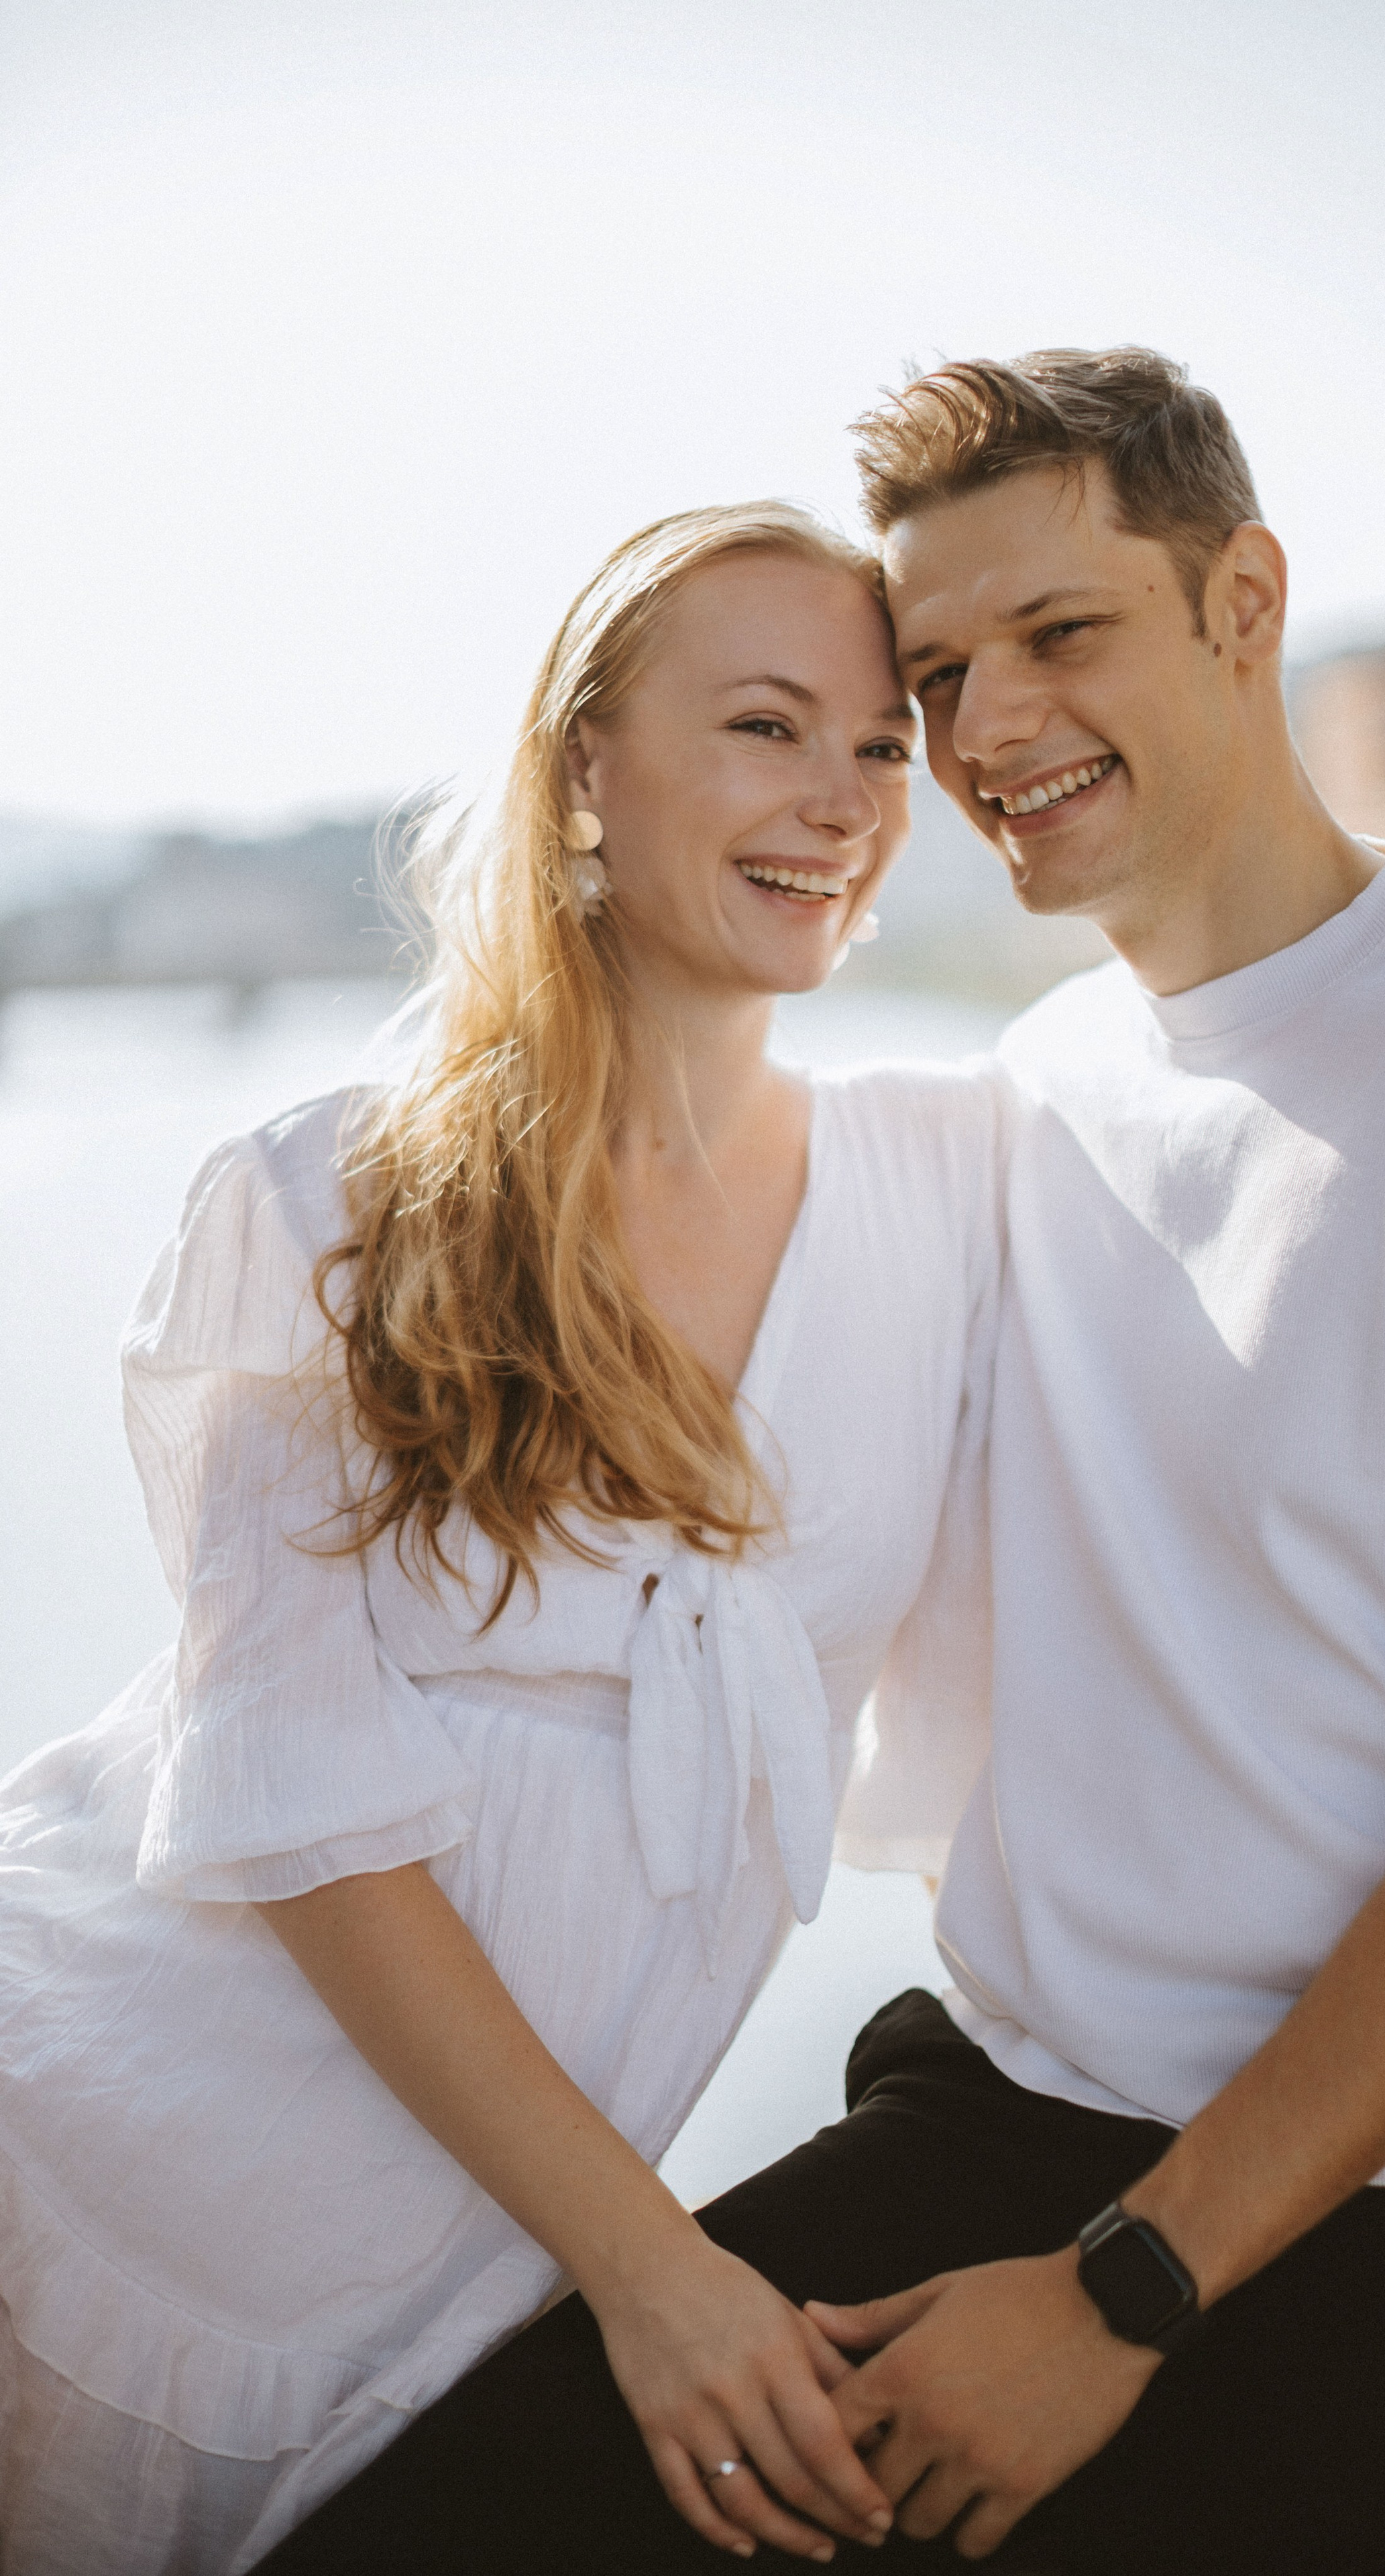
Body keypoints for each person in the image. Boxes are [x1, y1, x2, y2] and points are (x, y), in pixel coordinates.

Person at [258, 349, 1385, 2576]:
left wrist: (1129, 2288)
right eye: (937, 674)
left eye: (1063, 634)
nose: (988, 729)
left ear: (1247, 600)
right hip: (1027, 2107)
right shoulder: (1024, 1095)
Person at [0, 500, 1013, 2575]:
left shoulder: (954, 1189)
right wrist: (654, 2271)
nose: (840, 800)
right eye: (762, 726)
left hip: (465, 2287)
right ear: (582, 773)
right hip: (91, 2177)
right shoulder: (326, 1206)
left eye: (884, 743)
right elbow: (296, 1806)